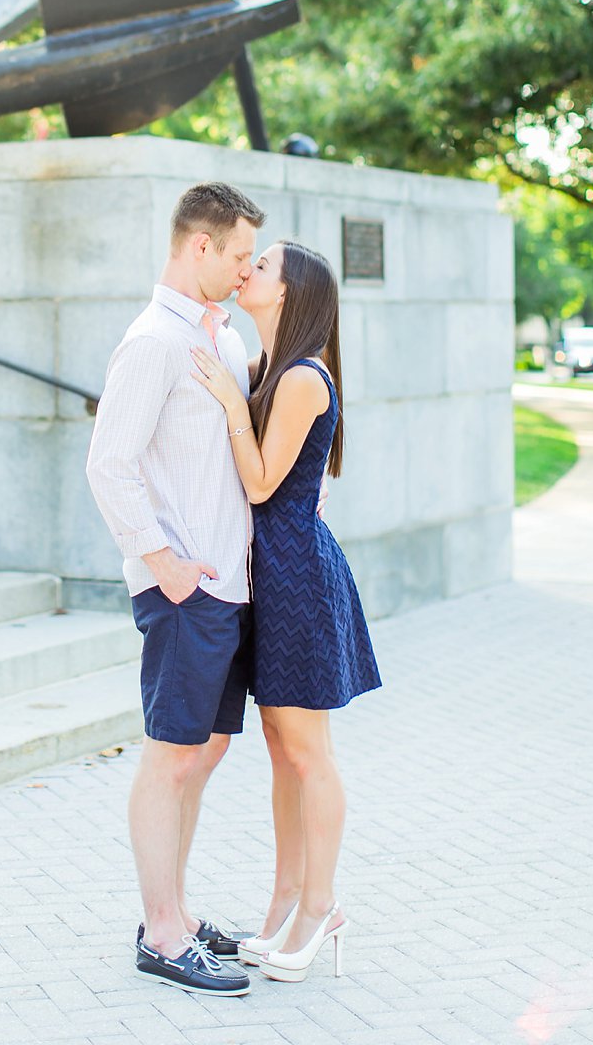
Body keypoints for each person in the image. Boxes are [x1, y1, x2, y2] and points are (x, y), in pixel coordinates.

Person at [86, 181, 266, 996]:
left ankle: (179, 913)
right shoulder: (154, 341)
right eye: (235, 255)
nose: (243, 269)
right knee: (170, 759)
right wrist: (163, 562)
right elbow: (108, 464)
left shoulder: (222, 338)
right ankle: (161, 934)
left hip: (228, 587)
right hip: (184, 590)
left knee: (204, 752)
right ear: (199, 246)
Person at [190, 239, 380, 985]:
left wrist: (235, 408)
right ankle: (284, 903)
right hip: (273, 571)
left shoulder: (301, 377)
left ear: (290, 293)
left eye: (262, 266)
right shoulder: (272, 369)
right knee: (282, 750)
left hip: (297, 575)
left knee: (308, 754)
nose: (248, 271)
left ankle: (322, 906)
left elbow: (265, 483)